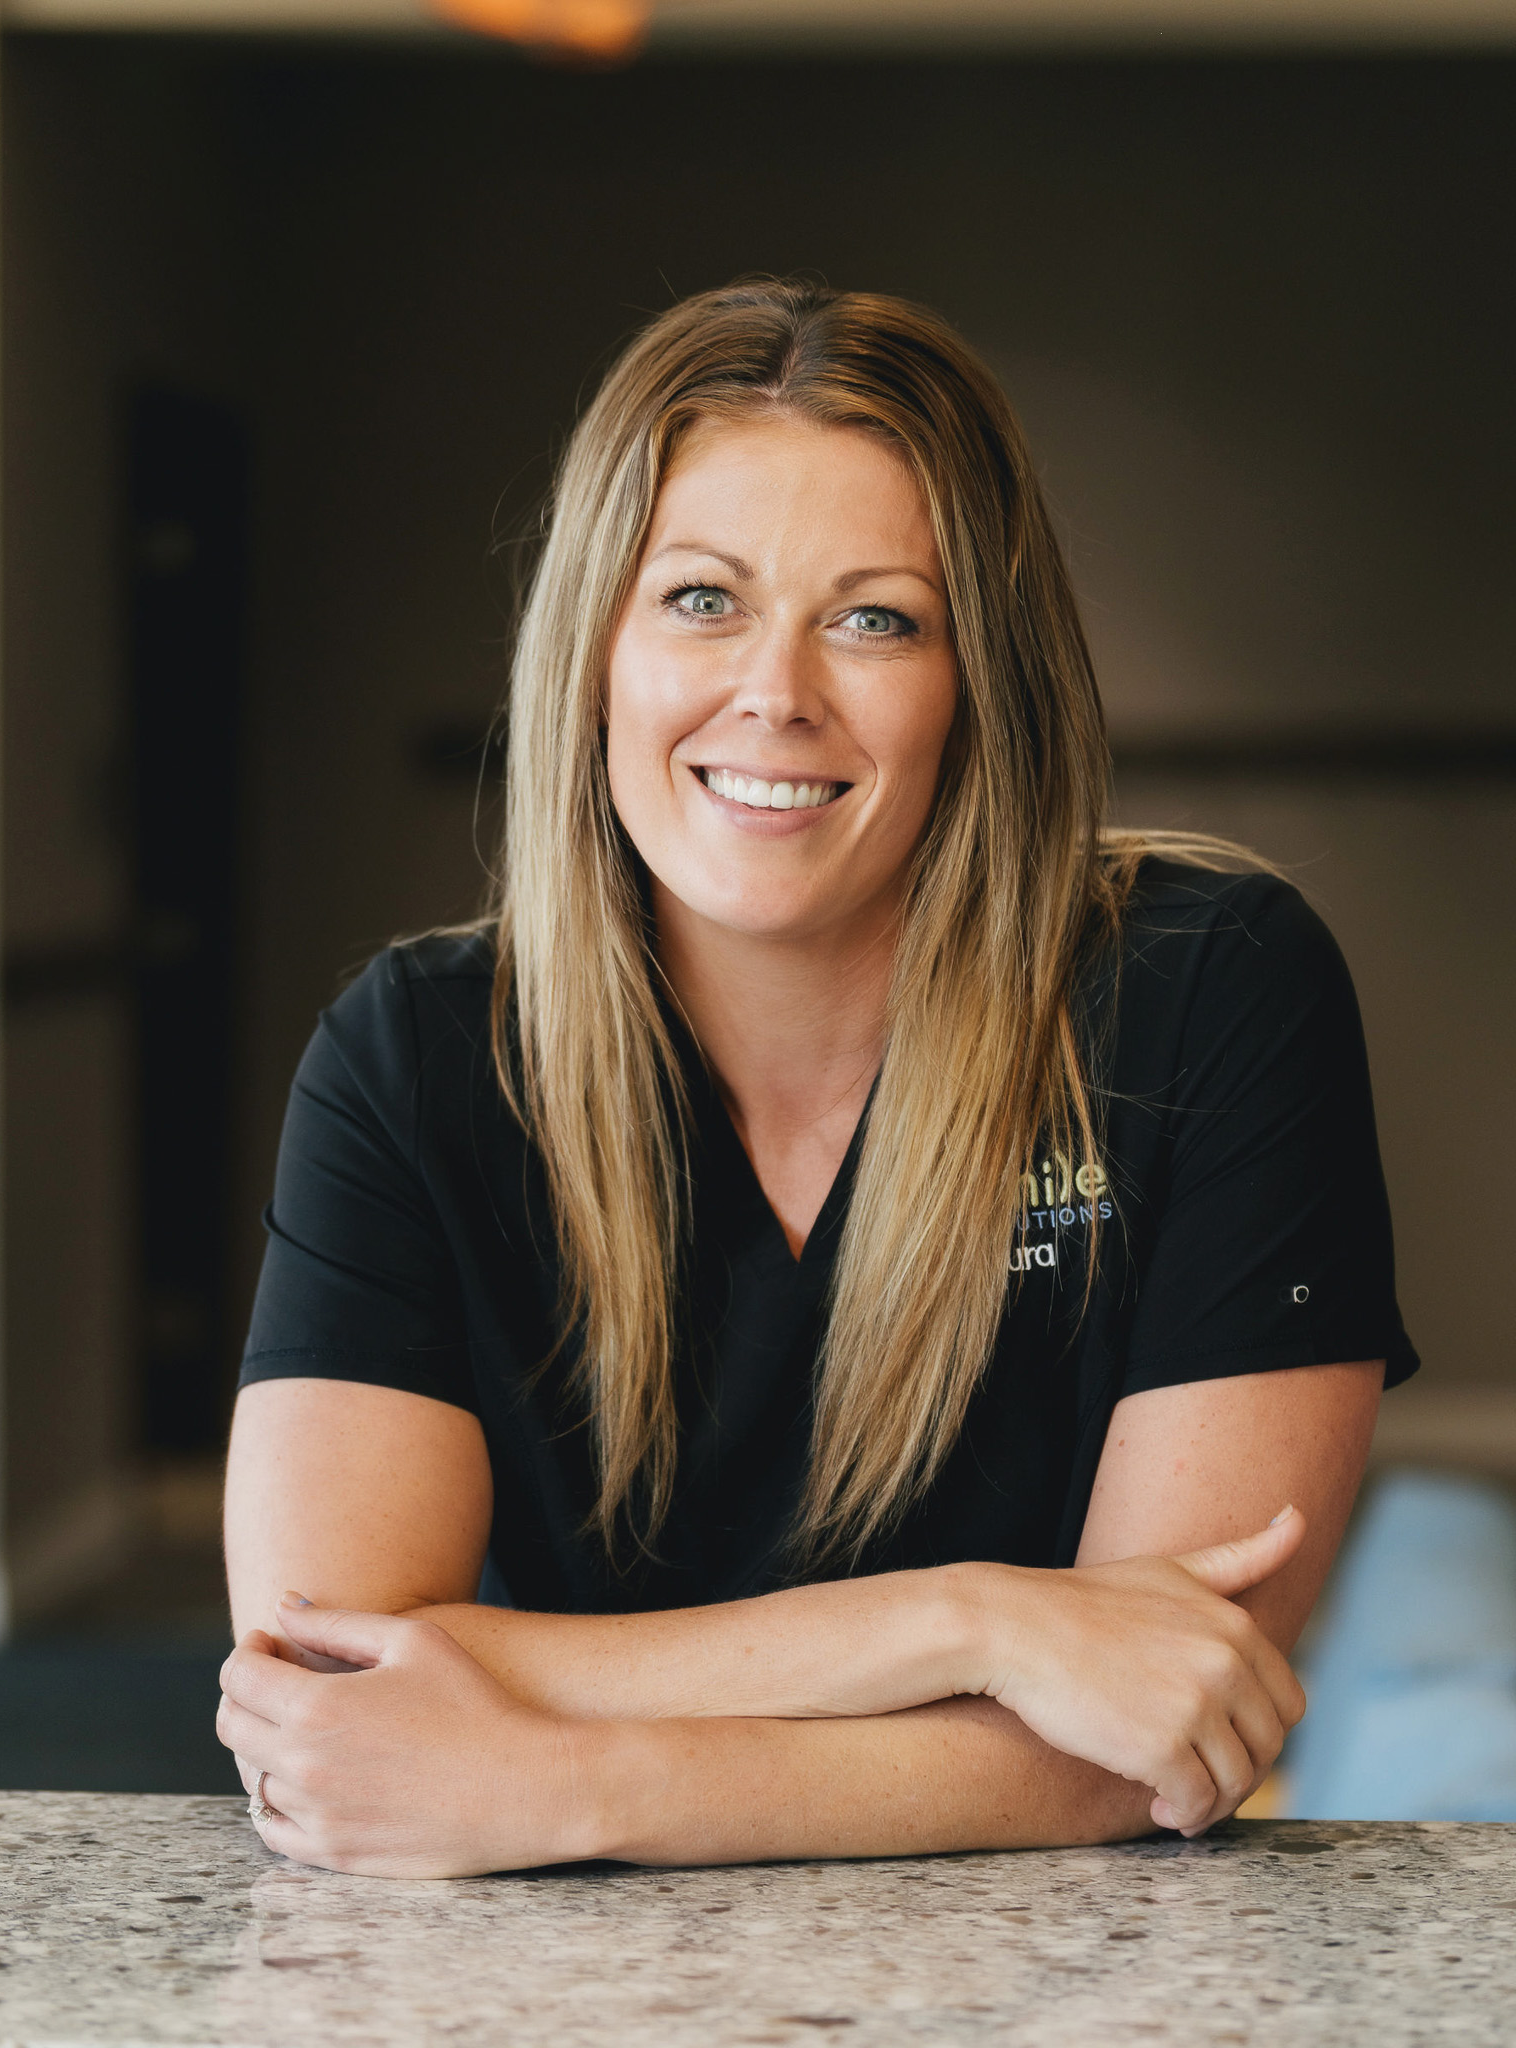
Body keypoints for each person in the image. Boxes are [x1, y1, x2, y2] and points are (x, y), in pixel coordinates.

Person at [218, 279, 1416, 1879]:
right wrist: (979, 1623)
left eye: (875, 618)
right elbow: (321, 1668)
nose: (776, 691)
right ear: (595, 651)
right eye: (701, 598)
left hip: (1062, 1966)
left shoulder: (1210, 992)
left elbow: (1174, 1717)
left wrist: (572, 1786)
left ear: (982, 681)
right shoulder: (413, 1056)